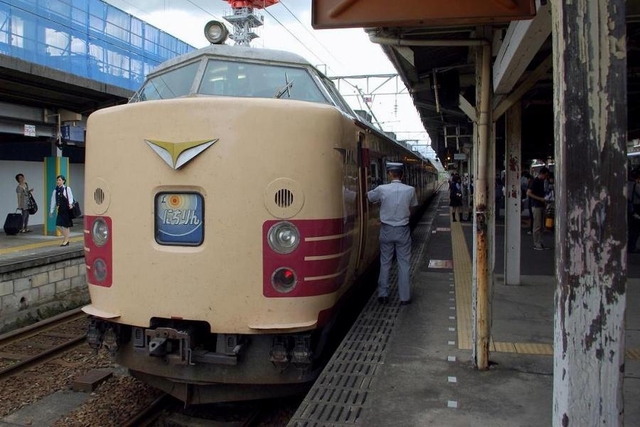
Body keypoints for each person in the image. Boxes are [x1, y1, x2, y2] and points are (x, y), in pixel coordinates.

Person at [367, 162, 418, 306]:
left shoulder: (382, 189)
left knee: (385, 262)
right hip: (403, 230)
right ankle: (405, 297)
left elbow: (369, 197)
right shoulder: (410, 190)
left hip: (386, 230)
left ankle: (383, 295)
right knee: (404, 263)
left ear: (389, 174)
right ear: (402, 174)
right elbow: (413, 205)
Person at [527, 167, 550, 250]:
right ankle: (536, 243)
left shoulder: (542, 182)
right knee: (537, 225)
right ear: (542, 173)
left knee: (541, 226)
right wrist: (540, 199)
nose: (546, 177)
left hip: (541, 204)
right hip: (536, 205)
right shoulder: (535, 181)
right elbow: (529, 193)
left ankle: (540, 242)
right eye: (546, 175)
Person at [49, 175, 74, 246]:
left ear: (63, 181)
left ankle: (66, 241)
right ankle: (67, 238)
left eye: (59, 180)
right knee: (58, 225)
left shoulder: (67, 188)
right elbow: (53, 201)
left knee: (65, 226)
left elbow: (70, 197)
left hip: (66, 209)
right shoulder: (55, 190)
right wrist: (51, 211)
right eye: (57, 180)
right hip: (60, 209)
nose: (58, 181)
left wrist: (70, 204)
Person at [628, 170, 640, 253]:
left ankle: (630, 245)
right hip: (636, 208)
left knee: (631, 228)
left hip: (629, 208)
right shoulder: (636, 185)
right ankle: (632, 246)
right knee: (636, 228)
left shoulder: (626, 184)